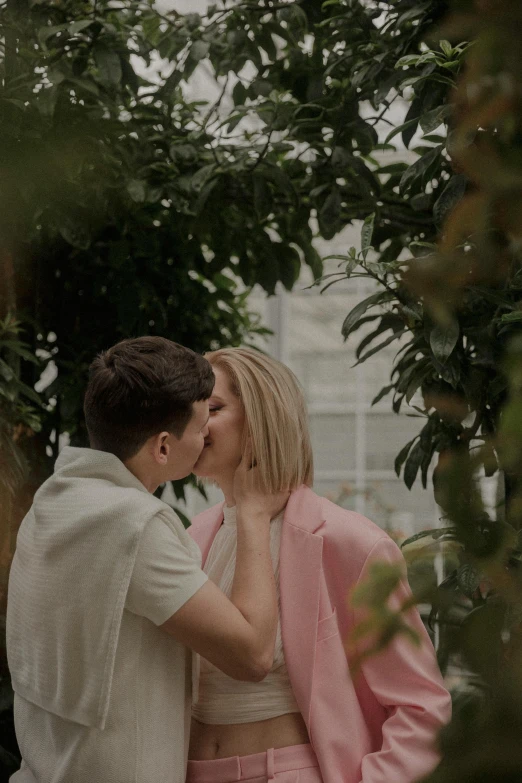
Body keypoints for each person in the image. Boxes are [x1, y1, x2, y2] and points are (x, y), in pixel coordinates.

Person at [6, 336, 286, 783]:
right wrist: (252, 515)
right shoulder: (134, 525)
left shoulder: (53, 502)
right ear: (161, 447)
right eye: (200, 425)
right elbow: (252, 655)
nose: (207, 435)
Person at [188, 346, 452, 783]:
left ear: (261, 416)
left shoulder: (349, 541)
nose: (195, 423)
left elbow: (421, 706)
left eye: (212, 408)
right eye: (190, 410)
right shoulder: (191, 537)